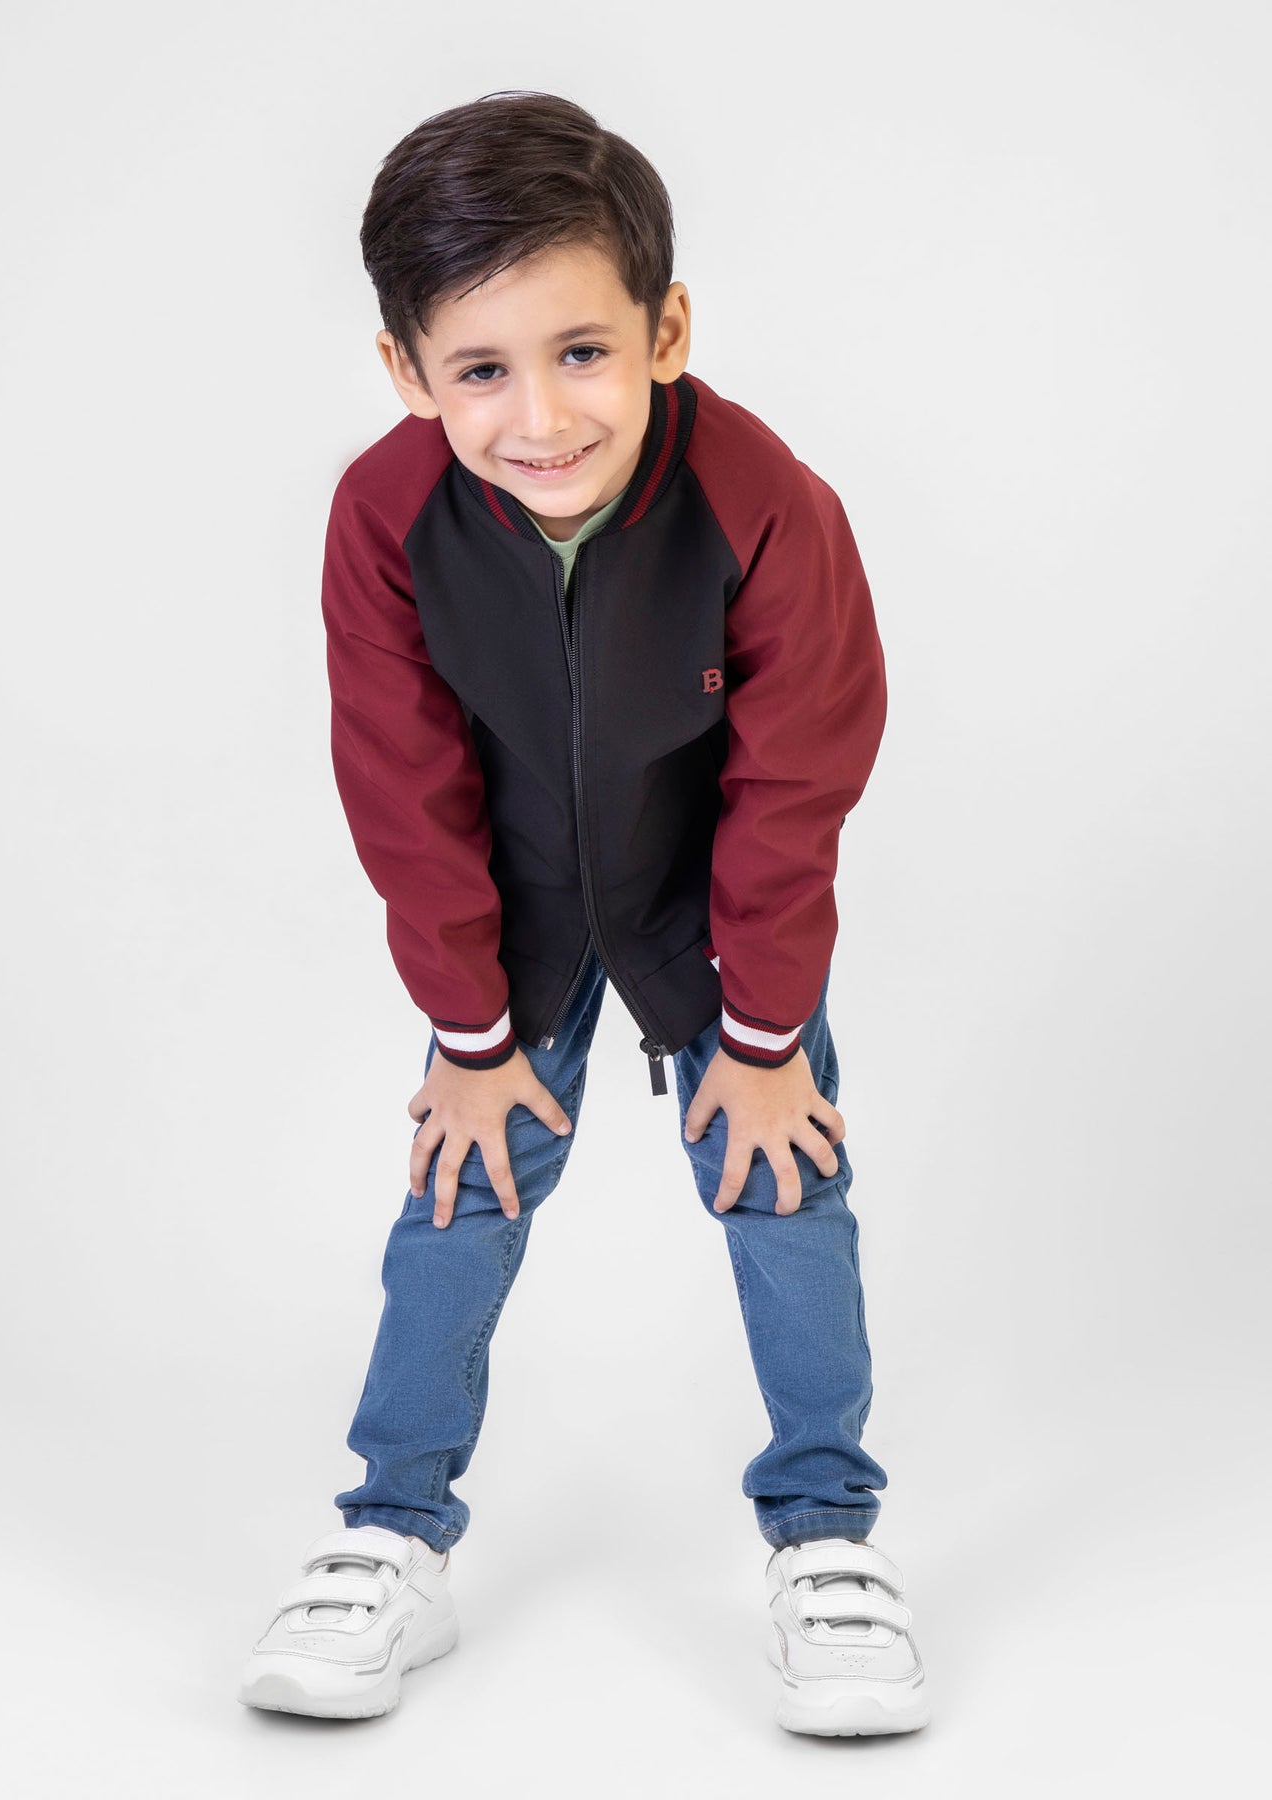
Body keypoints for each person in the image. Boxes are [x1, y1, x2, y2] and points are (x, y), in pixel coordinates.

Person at [238, 88, 930, 1738]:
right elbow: (402, 784)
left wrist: (761, 1031)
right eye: (479, 370)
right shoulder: (383, 516)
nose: (540, 416)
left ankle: (826, 1539)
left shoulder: (766, 501)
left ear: (664, 332)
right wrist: (472, 1033)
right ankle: (392, 1534)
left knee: (783, 1184)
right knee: (458, 1193)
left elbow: (798, 780)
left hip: (713, 906)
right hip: (516, 911)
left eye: (581, 353)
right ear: (407, 370)